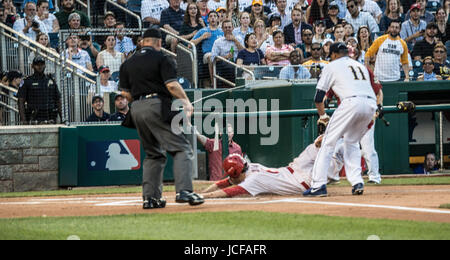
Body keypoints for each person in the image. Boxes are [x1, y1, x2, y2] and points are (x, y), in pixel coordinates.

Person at [119, 28, 204, 209]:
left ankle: (150, 198)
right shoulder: (162, 58)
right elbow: (172, 85)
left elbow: (125, 93)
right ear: (158, 43)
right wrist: (187, 103)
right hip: (156, 105)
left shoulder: (128, 63)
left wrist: (140, 104)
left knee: (153, 154)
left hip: (135, 109)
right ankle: (184, 191)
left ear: (143, 42)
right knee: (182, 148)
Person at [303, 42, 378, 197]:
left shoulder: (331, 66)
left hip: (351, 102)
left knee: (328, 142)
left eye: (330, 55)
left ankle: (318, 186)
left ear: (335, 54)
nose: (330, 57)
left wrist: (323, 116)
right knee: (352, 142)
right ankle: (357, 182)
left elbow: (318, 98)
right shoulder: (359, 65)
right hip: (370, 104)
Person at [201, 137, 324, 198]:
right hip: (293, 170)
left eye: (233, 176)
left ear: (238, 173)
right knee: (315, 146)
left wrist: (203, 196)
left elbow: (229, 191)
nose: (231, 180)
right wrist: (202, 192)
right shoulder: (249, 167)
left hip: (302, 182)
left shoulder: (253, 180)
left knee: (327, 153)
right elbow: (225, 183)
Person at [18, 57, 62, 124]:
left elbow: (58, 100)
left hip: (50, 118)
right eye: (37, 64)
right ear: (32, 66)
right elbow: (21, 102)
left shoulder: (51, 81)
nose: (40, 66)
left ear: (45, 65)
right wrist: (24, 121)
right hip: (34, 118)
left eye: (42, 64)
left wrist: (63, 118)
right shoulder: (27, 81)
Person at [192, 11, 224, 86]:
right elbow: (190, 44)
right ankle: (213, 82)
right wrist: (202, 37)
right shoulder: (203, 31)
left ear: (218, 19)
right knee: (210, 56)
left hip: (221, 54)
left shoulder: (222, 31)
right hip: (207, 55)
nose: (213, 18)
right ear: (208, 20)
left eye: (215, 16)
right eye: (211, 16)